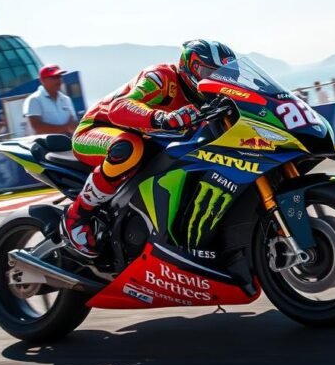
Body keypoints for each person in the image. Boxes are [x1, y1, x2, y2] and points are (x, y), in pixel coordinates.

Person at [64, 39, 236, 257]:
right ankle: (77, 216)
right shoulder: (161, 77)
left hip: (141, 134)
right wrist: (163, 117)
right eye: (207, 72)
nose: (213, 79)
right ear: (189, 66)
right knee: (128, 148)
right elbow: (119, 107)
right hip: (97, 129)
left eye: (222, 75)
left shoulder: (212, 98)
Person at [23, 65, 79, 136]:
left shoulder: (66, 99)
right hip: (44, 146)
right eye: (54, 77)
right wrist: (66, 128)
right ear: (42, 80)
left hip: (66, 144)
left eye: (59, 76)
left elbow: (74, 123)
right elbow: (37, 127)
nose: (59, 80)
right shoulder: (34, 99)